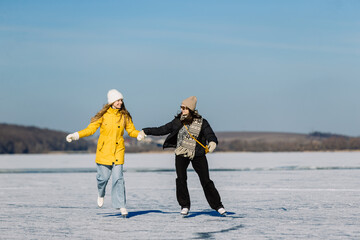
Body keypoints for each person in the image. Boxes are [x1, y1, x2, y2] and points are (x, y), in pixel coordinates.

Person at [137, 96, 226, 216]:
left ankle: (218, 205)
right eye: (181, 107)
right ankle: (184, 205)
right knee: (181, 179)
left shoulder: (202, 122)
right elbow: (162, 129)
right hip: (181, 153)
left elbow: (210, 134)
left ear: (191, 109)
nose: (182, 110)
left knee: (206, 180)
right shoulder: (177, 121)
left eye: (185, 108)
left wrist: (212, 142)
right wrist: (145, 131)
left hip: (198, 153)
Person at [66, 89, 141, 217]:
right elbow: (90, 130)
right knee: (103, 178)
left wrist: (139, 134)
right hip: (104, 151)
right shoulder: (103, 115)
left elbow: (131, 130)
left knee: (119, 179)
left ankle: (122, 205)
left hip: (118, 151)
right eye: (118, 100)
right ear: (112, 102)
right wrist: (76, 135)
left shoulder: (124, 116)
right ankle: (101, 193)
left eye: (121, 100)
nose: (120, 102)